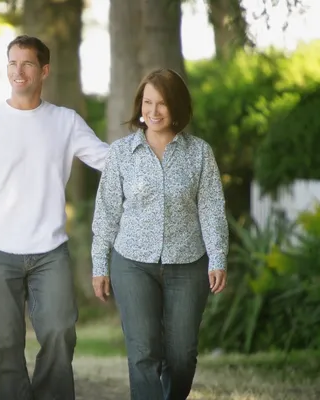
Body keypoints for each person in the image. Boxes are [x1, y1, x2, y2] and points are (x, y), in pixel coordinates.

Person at [0, 35, 109, 400]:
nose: (18, 71)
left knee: (59, 331)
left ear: (44, 71)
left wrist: (149, 142)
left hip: (49, 250)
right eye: (12, 63)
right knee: (4, 346)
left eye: (27, 64)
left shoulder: (65, 122)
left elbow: (107, 160)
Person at [91, 68, 228, 400]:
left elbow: (211, 208)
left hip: (188, 263)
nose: (153, 112)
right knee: (143, 352)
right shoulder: (121, 154)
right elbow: (106, 212)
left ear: (177, 107)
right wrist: (100, 265)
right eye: (147, 102)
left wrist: (218, 257)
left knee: (181, 355)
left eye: (162, 103)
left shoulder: (199, 153)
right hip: (133, 264)